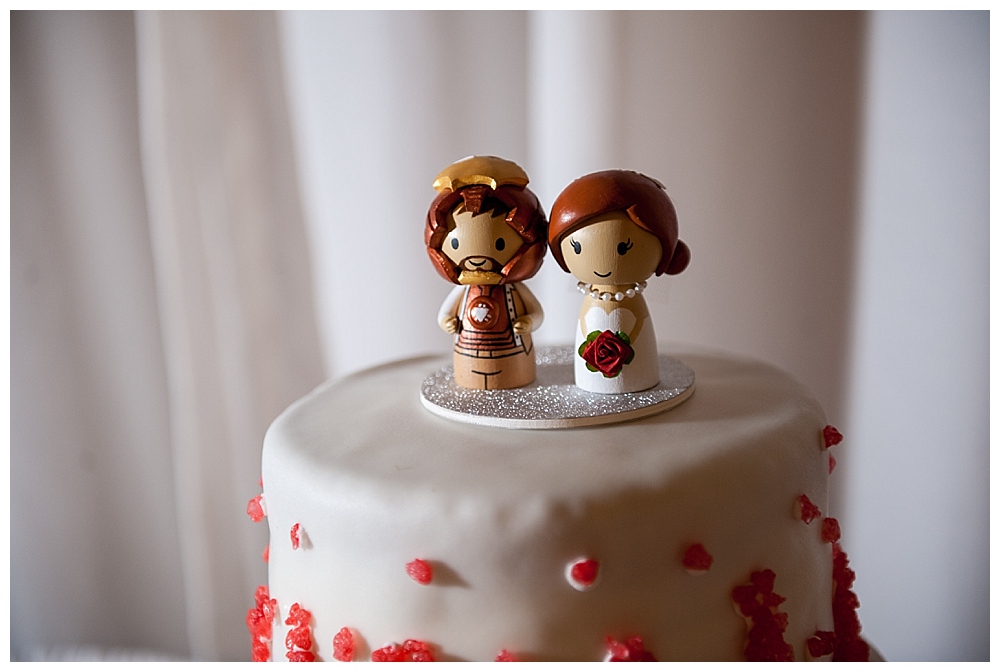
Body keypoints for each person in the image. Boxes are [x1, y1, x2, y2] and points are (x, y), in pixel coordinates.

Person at [548, 170, 690, 394]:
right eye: (577, 247)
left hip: (643, 382)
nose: (603, 264)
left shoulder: (632, 296)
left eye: (624, 248)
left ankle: (638, 378)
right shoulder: (592, 296)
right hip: (587, 387)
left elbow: (636, 328)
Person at [425, 156, 547, 390]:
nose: (477, 258)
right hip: (467, 357)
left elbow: (536, 312)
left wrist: (529, 321)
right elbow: (445, 314)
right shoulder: (464, 289)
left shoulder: (513, 288)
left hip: (514, 363)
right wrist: (446, 321)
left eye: (499, 244)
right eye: (457, 245)